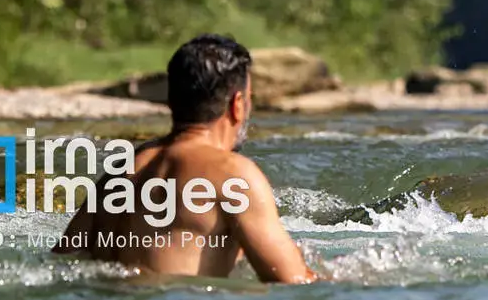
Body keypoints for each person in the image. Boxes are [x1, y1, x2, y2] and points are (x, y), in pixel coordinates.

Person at [55, 33, 317, 283]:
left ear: (172, 100)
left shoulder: (120, 171)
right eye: (250, 100)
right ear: (237, 105)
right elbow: (293, 281)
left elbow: (63, 259)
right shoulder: (234, 175)